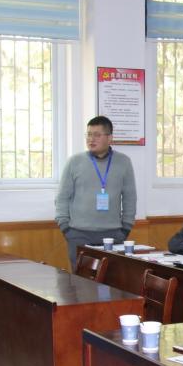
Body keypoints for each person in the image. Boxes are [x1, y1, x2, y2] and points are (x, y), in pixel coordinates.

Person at [55, 115, 137, 268]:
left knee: (112, 279)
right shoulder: (74, 162)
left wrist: (126, 227)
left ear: (110, 138)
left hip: (113, 235)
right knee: (81, 279)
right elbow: (62, 197)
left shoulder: (123, 162)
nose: (91, 139)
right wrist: (65, 227)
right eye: (89, 134)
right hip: (78, 234)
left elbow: (130, 197)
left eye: (97, 135)